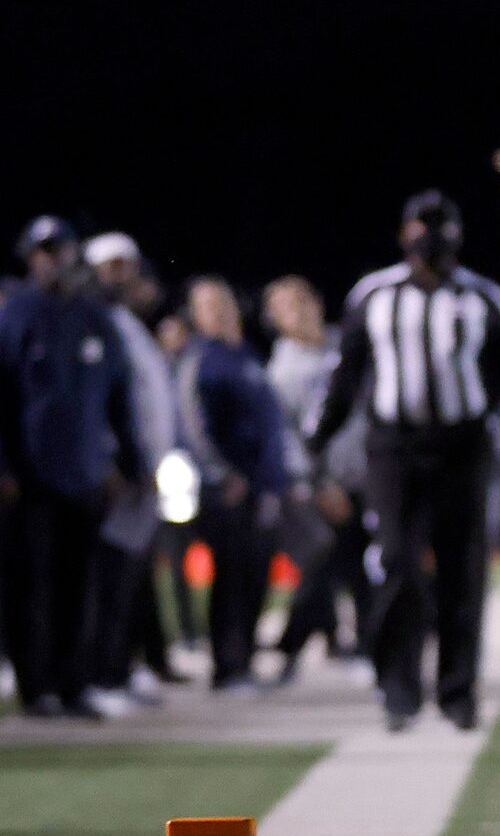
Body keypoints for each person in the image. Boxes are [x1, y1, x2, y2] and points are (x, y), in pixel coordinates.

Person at [308, 191, 500, 731]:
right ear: (404, 235)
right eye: (423, 228)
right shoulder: (374, 295)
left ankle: (456, 693)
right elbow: (342, 375)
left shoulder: (484, 298)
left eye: (441, 228)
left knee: (463, 570)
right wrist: (317, 440)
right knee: (396, 561)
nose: (431, 241)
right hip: (394, 447)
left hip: (465, 447)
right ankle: (398, 688)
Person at [0, 218, 145, 718]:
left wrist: (132, 460)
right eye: (42, 251)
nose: (51, 259)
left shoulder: (92, 316)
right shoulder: (14, 316)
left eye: (59, 249)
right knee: (30, 584)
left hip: (85, 476)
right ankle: (35, 687)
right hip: (30, 477)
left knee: (78, 584)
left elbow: (119, 397)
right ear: (29, 257)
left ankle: (72, 684)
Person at [176, 277, 291, 691]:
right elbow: (192, 425)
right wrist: (222, 474)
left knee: (256, 574)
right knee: (230, 577)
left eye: (223, 301)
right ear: (196, 313)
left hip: (261, 486)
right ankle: (227, 667)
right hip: (228, 489)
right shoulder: (201, 358)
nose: (219, 310)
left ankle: (243, 661)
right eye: (208, 304)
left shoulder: (243, 353)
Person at [85, 232, 185, 703]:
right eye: (111, 266)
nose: (121, 276)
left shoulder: (126, 322)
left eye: (126, 266)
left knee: (133, 579)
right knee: (109, 580)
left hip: (142, 469)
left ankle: (122, 668)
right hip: (117, 471)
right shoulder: (97, 320)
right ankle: (103, 674)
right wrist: (113, 459)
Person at [262, 275, 372, 680]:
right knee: (321, 567)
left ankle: (361, 645)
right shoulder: (281, 370)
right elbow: (287, 435)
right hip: (322, 484)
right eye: (287, 306)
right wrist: (317, 483)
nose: (300, 311)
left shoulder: (346, 348)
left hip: (364, 475)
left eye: (303, 300)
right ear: (276, 319)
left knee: (364, 566)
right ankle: (294, 647)